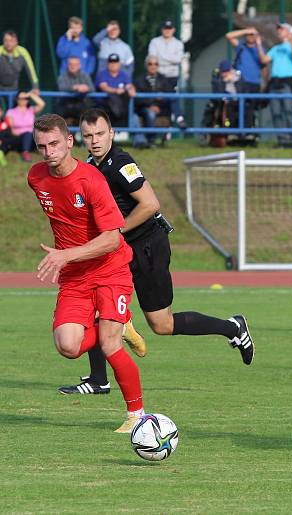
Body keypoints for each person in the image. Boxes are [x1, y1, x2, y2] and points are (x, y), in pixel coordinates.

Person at [56, 108, 255, 396]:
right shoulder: (90, 166)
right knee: (98, 305)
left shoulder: (120, 163)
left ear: (112, 133)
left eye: (100, 134)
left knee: (162, 324)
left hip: (147, 246)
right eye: (89, 136)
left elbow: (151, 204)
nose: (95, 140)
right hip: (117, 251)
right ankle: (99, 379)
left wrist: (117, 231)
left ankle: (232, 327)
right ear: (81, 139)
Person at [28, 114, 146, 433]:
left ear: (69, 142)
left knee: (109, 344)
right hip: (76, 276)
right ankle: (119, 324)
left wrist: (66, 254)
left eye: (54, 143)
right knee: (68, 346)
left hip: (111, 269)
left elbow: (112, 238)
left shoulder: (92, 180)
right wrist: (68, 257)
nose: (49, 151)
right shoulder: (36, 177)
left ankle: (138, 416)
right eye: (42, 146)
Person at [265, 23, 292, 148]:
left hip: (287, 82)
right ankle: (282, 140)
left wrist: (291, 40)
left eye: (282, 29)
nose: (279, 31)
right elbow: (264, 60)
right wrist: (258, 44)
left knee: (288, 111)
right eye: (279, 29)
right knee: (276, 112)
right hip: (275, 82)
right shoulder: (275, 48)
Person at [147, 20, 187, 129]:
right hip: (157, 77)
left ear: (173, 30)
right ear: (162, 29)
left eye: (169, 28)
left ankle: (173, 123)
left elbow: (178, 59)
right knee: (162, 100)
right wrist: (170, 59)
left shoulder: (178, 43)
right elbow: (152, 58)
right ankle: (179, 118)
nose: (167, 31)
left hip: (172, 77)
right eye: (165, 28)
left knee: (171, 97)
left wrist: (160, 57)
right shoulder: (155, 42)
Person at [134, 56, 172, 147]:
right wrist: (150, 105)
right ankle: (151, 141)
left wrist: (159, 105)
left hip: (161, 109)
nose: (153, 66)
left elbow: (169, 96)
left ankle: (151, 141)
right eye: (150, 64)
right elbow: (137, 99)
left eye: (156, 64)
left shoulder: (163, 80)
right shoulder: (139, 80)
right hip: (143, 109)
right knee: (150, 113)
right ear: (146, 66)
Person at [225, 26, 268, 105]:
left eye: (253, 34)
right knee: (239, 107)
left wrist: (265, 83)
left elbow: (264, 67)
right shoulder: (241, 46)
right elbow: (228, 36)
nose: (251, 36)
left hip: (255, 84)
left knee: (251, 110)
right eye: (249, 34)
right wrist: (246, 31)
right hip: (241, 83)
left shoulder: (261, 49)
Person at [95, 53, 138, 131]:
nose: (113, 64)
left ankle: (140, 141)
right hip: (105, 107)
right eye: (111, 62)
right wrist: (116, 90)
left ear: (119, 64)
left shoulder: (124, 75)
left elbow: (129, 86)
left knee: (134, 116)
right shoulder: (102, 74)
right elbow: (103, 87)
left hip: (121, 108)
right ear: (108, 63)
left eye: (115, 62)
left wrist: (132, 89)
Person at [2, 90, 45, 162]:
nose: (23, 100)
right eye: (21, 98)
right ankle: (25, 153)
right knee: (27, 133)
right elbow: (10, 128)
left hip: (31, 138)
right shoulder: (11, 112)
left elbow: (42, 104)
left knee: (35, 133)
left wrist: (31, 94)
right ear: (17, 99)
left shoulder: (31, 110)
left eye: (26, 98)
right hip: (17, 138)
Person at [56, 56, 95, 122]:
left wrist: (86, 88)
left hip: (82, 104)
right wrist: (75, 87)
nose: (73, 66)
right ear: (67, 65)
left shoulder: (85, 75)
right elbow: (61, 87)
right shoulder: (62, 77)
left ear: (79, 65)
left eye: (75, 64)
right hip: (66, 105)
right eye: (71, 64)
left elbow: (92, 88)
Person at [0, 30, 39, 95]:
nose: (8, 43)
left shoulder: (23, 52)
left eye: (11, 41)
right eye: (6, 40)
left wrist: (35, 87)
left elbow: (31, 71)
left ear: (16, 42)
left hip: (14, 88)